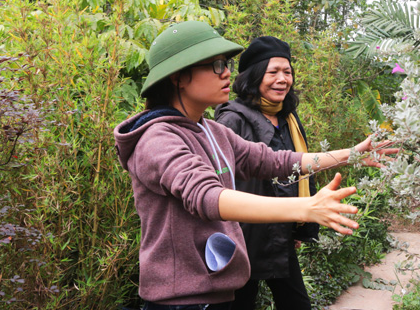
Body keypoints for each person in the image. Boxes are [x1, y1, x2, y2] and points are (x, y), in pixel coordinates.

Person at [113, 21, 396, 310]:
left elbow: (275, 161)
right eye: (216, 65)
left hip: (217, 290)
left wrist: (351, 154)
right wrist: (305, 207)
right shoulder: (157, 138)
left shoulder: (211, 130)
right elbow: (206, 196)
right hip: (180, 300)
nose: (226, 72)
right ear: (178, 77)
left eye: (226, 64)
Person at [214, 36, 316, 310]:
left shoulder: (288, 118)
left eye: (288, 72)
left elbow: (297, 171)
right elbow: (217, 180)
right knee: (239, 303)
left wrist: (298, 227)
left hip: (278, 233)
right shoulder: (232, 119)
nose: (283, 79)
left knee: (296, 303)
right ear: (255, 76)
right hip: (243, 237)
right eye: (273, 72)